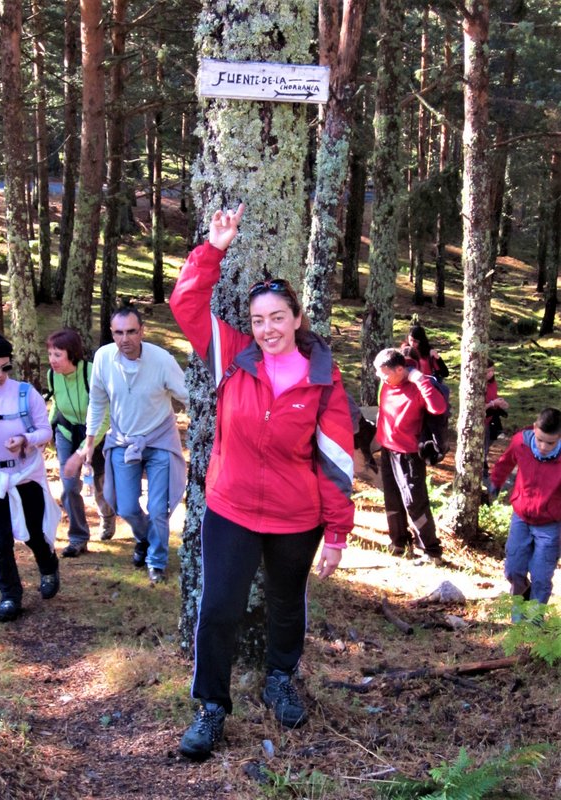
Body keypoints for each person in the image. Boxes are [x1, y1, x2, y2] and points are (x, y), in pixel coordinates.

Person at [169, 205, 355, 760]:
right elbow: (185, 304)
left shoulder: (323, 378)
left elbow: (335, 461)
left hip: (296, 518)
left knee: (285, 606)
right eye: (258, 320)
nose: (268, 329)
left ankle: (280, 680)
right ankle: (210, 707)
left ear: (297, 318)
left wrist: (339, 533)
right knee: (220, 607)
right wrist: (214, 247)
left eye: (278, 317)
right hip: (230, 508)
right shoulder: (232, 355)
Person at [69, 305, 187, 584]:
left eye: (131, 332)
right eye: (119, 333)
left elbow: (188, 395)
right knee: (123, 504)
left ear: (142, 332)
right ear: (112, 333)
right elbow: (97, 402)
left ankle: (156, 561)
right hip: (122, 440)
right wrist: (88, 443)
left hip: (159, 439)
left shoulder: (162, 360)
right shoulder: (103, 358)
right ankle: (145, 537)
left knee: (159, 507)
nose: (126, 339)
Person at [0, 333, 61, 622]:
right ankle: (10, 596)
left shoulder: (26, 393)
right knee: (1, 539)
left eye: (7, 367)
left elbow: (45, 431)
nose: (1, 375)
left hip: (25, 473)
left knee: (32, 532)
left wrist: (24, 439)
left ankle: (48, 565)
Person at [373, 347, 447, 565]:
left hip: (409, 455)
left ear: (399, 369)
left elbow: (438, 407)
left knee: (414, 501)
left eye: (384, 372)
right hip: (388, 449)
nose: (380, 377)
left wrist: (420, 379)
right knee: (392, 498)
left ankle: (431, 551)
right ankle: (399, 542)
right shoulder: (385, 384)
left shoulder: (416, 386)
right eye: (378, 372)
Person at [46, 329, 116, 557]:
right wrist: (47, 429)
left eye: (58, 354)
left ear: (72, 354)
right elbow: (57, 403)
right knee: (69, 487)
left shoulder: (92, 373)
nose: (52, 360)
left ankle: (107, 515)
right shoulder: (51, 375)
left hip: (96, 435)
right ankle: (78, 537)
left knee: (100, 485)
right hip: (67, 432)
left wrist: (86, 446)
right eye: (50, 354)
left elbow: (105, 415)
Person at [489, 407, 561, 612]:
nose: (544, 446)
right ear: (535, 428)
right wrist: (495, 481)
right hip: (521, 517)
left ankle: (531, 621)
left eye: (551, 442)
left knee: (541, 576)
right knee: (513, 570)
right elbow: (505, 462)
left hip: (550, 525)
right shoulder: (521, 441)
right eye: (540, 440)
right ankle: (522, 599)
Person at [483, 358, 509, 478]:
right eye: (487, 371)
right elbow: (476, 408)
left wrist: (501, 403)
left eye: (492, 371)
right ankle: (482, 472)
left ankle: (483, 468)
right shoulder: (477, 385)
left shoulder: (493, 383)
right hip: (480, 421)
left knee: (487, 444)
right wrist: (492, 404)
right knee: (482, 447)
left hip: (491, 419)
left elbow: (493, 397)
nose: (490, 374)